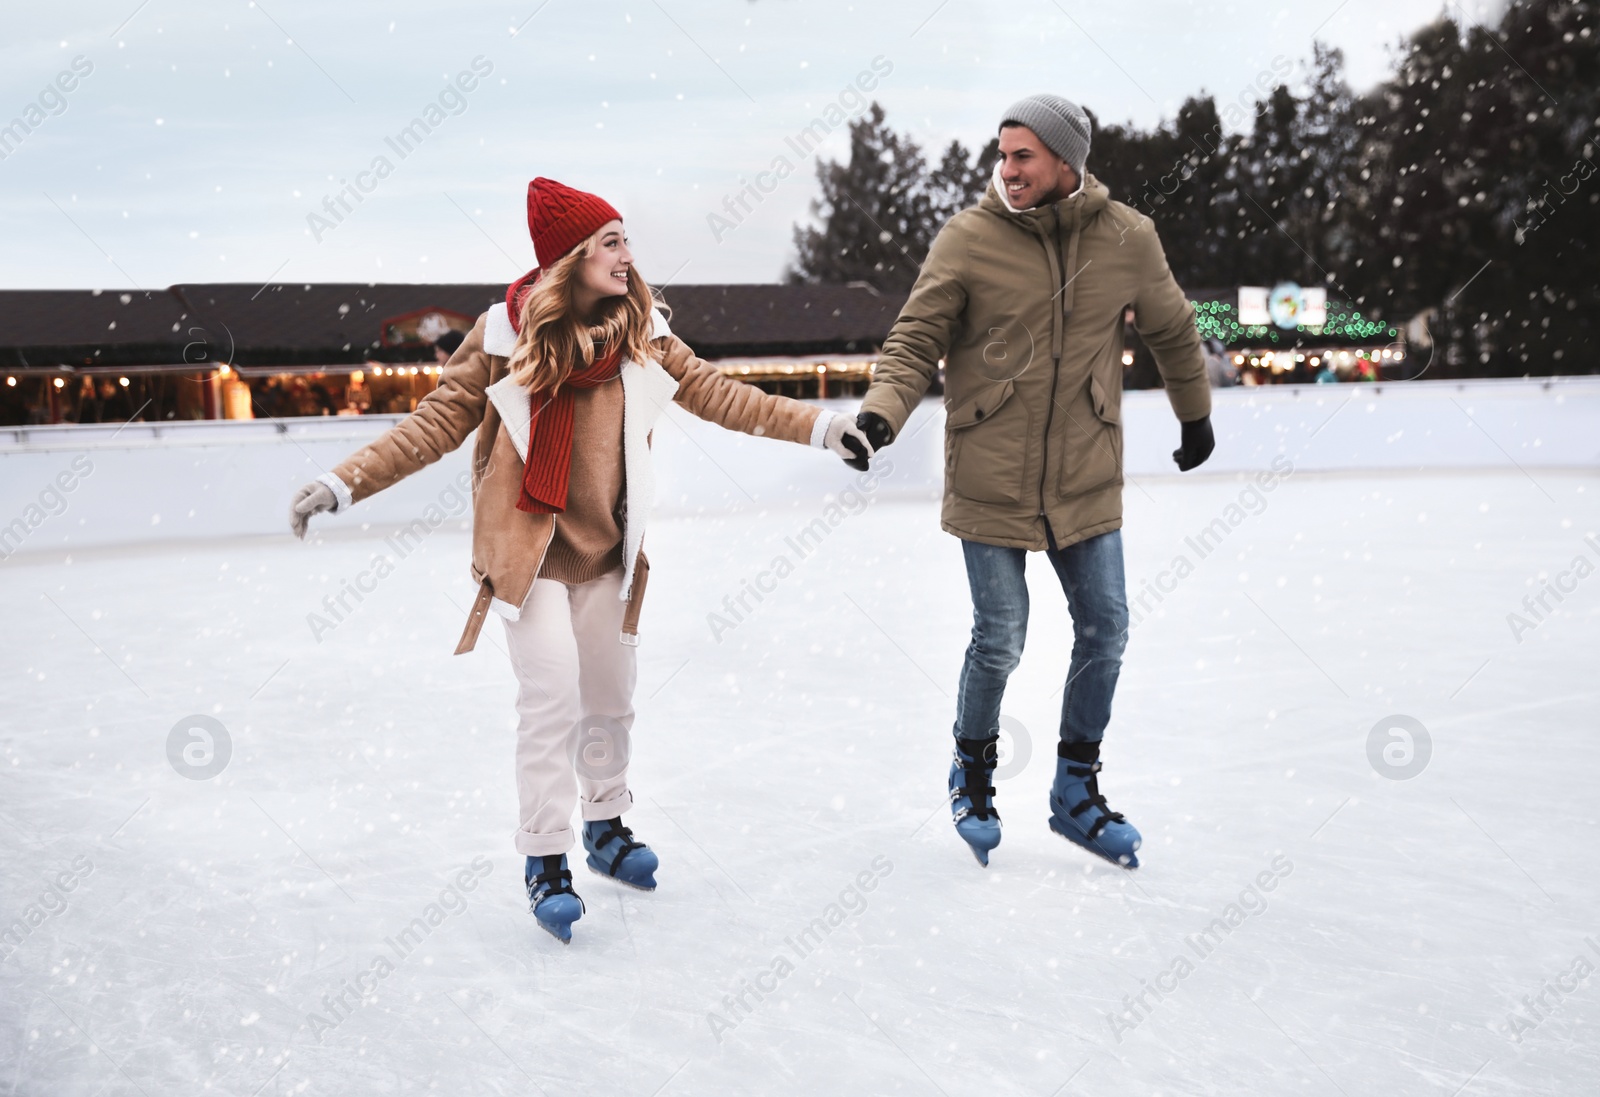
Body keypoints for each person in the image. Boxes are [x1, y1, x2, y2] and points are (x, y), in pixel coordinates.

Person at [288, 177, 872, 942]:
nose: (628, 256)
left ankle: (606, 825)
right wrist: (341, 483)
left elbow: (723, 394)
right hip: (527, 557)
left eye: (626, 239)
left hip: (604, 553)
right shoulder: (502, 340)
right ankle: (546, 856)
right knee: (553, 697)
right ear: (571, 259)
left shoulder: (645, 337)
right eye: (611, 242)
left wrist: (823, 429)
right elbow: (433, 424)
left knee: (609, 694)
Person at [852, 95, 1213, 870]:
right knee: (1002, 633)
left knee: (1107, 627)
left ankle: (1074, 794)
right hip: (991, 471)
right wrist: (884, 412)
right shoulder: (970, 238)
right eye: (1003, 154)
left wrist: (1195, 416)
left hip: (1085, 473)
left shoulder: (1127, 238)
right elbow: (916, 335)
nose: (1006, 169)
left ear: (1065, 163)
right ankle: (973, 771)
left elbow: (1173, 328)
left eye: (1023, 156)